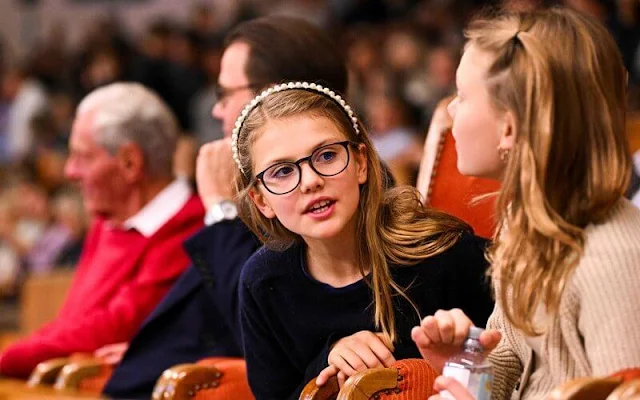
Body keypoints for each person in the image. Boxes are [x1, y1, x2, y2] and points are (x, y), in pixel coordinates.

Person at [100, 15, 351, 399]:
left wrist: (220, 211)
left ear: (270, 97)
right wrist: (151, 349)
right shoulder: (260, 189)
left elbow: (263, 329)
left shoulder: (328, 197)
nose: (217, 111)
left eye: (225, 95)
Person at [410, 7, 640, 400]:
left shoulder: (615, 258)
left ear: (510, 128)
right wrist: (467, 361)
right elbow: (510, 362)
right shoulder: (526, 221)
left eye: (462, 97)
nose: (449, 110)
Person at [234, 82, 495, 399]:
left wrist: (463, 356)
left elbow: (511, 369)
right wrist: (328, 361)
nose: (312, 181)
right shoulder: (262, 281)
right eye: (282, 171)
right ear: (262, 201)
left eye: (327, 155)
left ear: (360, 163)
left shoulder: (443, 252)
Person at [0, 83, 205, 379]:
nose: (70, 171)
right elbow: (73, 322)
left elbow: (111, 328)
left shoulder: (191, 230)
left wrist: (7, 358)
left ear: (130, 163)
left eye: (82, 157)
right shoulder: (109, 218)